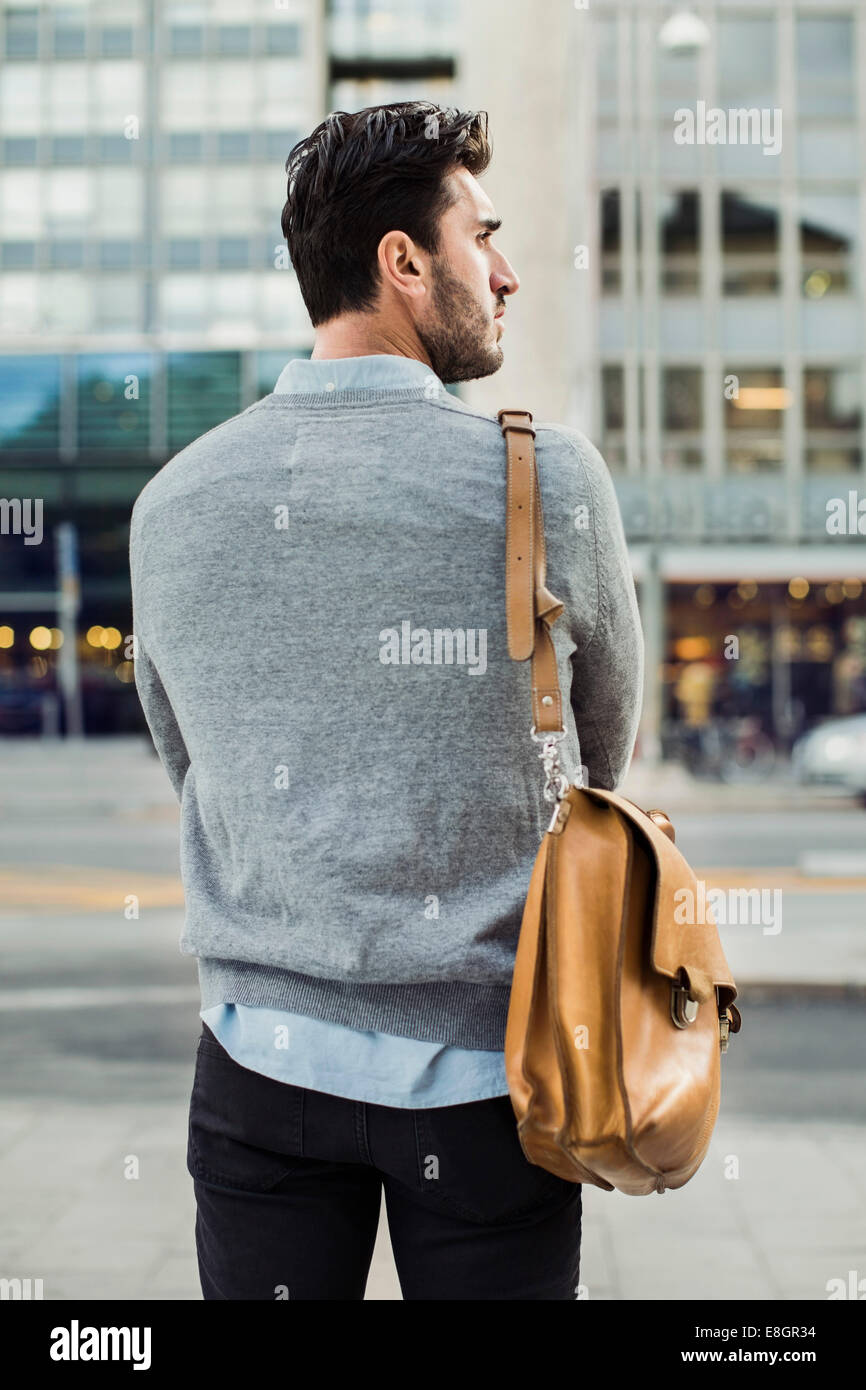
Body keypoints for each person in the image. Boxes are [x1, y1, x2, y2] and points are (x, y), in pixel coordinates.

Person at [129, 100, 644, 1301]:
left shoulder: (173, 501)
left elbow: (190, 758)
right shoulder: (543, 476)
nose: (506, 272)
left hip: (258, 1073)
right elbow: (602, 754)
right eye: (483, 238)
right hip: (490, 1082)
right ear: (402, 262)